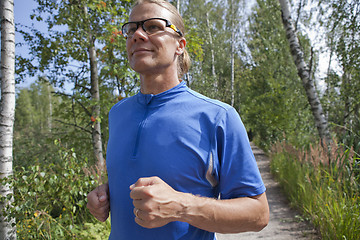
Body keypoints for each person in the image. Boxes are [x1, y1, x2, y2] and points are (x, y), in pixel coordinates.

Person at [87, 0, 269, 239]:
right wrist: (105, 197)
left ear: (180, 45)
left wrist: (181, 206)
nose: (138, 35)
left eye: (153, 27)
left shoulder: (218, 117)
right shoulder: (117, 113)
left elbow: (258, 214)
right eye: (131, 29)